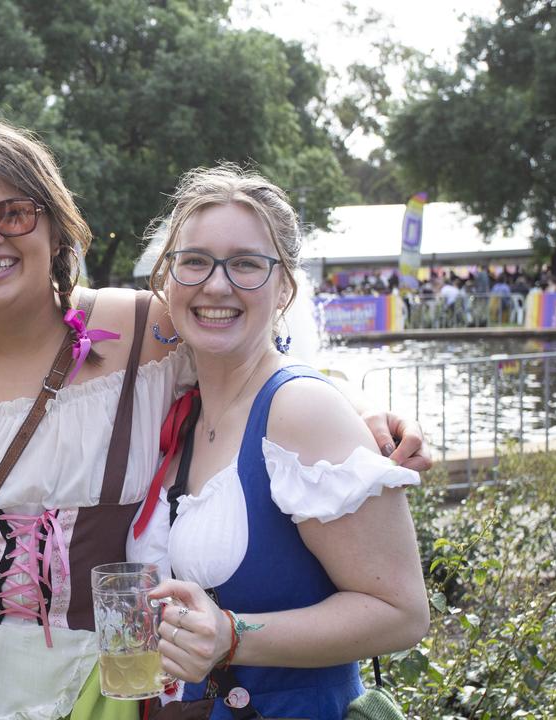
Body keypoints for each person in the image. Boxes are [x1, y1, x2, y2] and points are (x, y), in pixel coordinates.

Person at [0, 115, 429, 720]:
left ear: (56, 226)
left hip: (106, 684)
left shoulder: (140, 331)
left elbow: (253, 352)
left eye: (14, 214)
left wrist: (360, 412)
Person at [131, 166, 429, 719]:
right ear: (166, 281)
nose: (216, 285)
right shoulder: (184, 404)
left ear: (284, 286)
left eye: (246, 264)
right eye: (194, 261)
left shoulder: (299, 410)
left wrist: (232, 635)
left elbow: (402, 612)